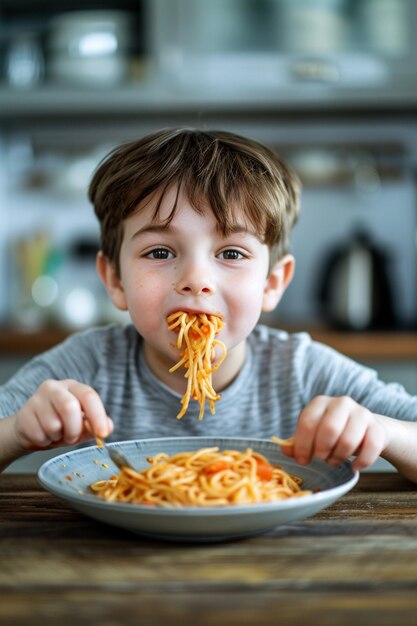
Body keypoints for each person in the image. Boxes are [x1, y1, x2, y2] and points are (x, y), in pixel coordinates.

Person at [1, 128, 417, 479]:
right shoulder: (85, 366)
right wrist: (18, 431)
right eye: (160, 252)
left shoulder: (304, 370)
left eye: (231, 253)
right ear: (115, 279)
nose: (196, 281)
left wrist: (381, 430)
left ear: (272, 283)